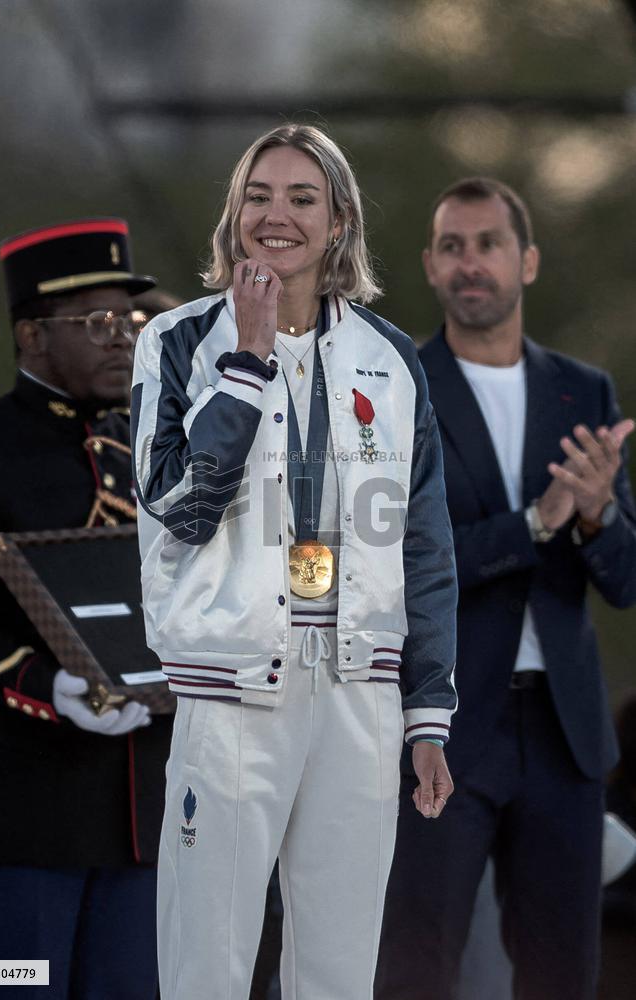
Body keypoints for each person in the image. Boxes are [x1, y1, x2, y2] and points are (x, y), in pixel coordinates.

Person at [131, 123, 458, 1000]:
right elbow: (178, 508)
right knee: (207, 962)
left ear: (340, 220)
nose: (277, 216)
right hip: (232, 679)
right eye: (258, 195)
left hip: (361, 687)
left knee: (340, 970)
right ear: (234, 213)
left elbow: (423, 540)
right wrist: (245, 357)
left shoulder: (391, 360)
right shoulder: (175, 340)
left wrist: (428, 713)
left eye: (302, 198)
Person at [376, 178, 636, 1000]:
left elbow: (624, 581)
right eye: (452, 246)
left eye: (489, 243)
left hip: (565, 735)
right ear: (429, 265)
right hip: (441, 727)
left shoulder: (583, 391)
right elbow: (394, 562)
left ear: (526, 261)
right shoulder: (393, 385)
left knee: (564, 974)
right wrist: (532, 525)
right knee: (417, 970)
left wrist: (596, 520)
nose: (471, 262)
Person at [0, 218, 173, 999]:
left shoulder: (156, 447)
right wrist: (52, 688)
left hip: (145, 807)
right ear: (33, 336)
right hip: (20, 808)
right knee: (9, 989)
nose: (124, 340)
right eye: (99, 324)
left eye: (133, 323)